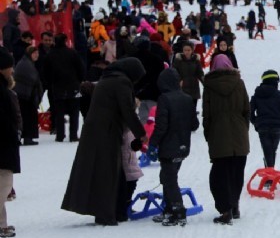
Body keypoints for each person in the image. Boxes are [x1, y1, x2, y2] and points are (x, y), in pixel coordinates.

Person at [61, 58, 147, 226]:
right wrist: (141, 133)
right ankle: (106, 214)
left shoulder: (108, 79)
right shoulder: (122, 82)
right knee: (107, 173)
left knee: (101, 171)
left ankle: (112, 211)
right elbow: (127, 110)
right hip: (106, 132)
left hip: (96, 131)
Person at [148, 69, 199, 226]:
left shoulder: (164, 99)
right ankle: (169, 209)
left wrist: (153, 144)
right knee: (168, 177)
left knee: (169, 180)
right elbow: (194, 124)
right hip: (183, 146)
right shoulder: (187, 98)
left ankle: (178, 211)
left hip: (168, 146)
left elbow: (161, 126)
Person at [203, 54, 250, 225]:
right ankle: (234, 205)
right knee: (236, 172)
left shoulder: (209, 86)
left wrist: (209, 134)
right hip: (239, 135)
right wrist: (243, 128)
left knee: (219, 174)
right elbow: (247, 109)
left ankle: (225, 209)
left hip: (218, 134)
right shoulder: (239, 83)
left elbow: (206, 115)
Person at [42, 33, 85, 142]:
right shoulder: (72, 53)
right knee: (74, 112)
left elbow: (45, 72)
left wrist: (50, 83)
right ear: (65, 41)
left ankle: (60, 135)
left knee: (58, 112)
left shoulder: (50, 55)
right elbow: (81, 68)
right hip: (73, 86)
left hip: (57, 86)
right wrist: (79, 80)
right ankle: (73, 135)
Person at [250, 70, 280, 175]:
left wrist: (255, 122)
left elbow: (249, 110)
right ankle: (270, 174)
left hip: (262, 127)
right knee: (272, 150)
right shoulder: (278, 94)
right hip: (276, 127)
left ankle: (269, 173)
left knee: (267, 150)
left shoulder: (257, 94)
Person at [0, 48, 20, 237]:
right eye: (9, 67)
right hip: (3, 144)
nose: (12, 70)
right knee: (3, 184)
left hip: (5, 142)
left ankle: (2, 223)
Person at [12, 46, 43, 146]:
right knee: (28, 117)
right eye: (35, 53)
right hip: (25, 96)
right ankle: (27, 137)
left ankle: (25, 137)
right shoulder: (26, 64)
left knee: (26, 117)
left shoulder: (26, 62)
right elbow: (31, 79)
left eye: (37, 53)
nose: (37, 55)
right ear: (30, 53)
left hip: (25, 95)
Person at [172, 41, 204, 109]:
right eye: (185, 50)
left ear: (192, 50)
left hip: (194, 88)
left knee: (192, 109)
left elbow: (200, 73)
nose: (187, 52)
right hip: (182, 88)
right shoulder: (178, 60)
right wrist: (179, 80)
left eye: (188, 50)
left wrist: (205, 82)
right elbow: (174, 72)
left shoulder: (196, 60)